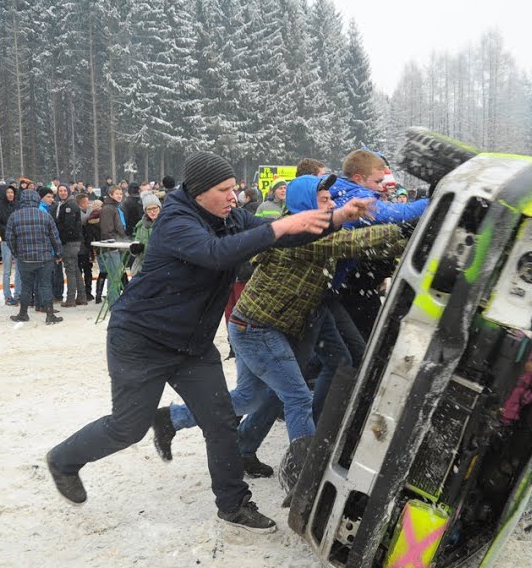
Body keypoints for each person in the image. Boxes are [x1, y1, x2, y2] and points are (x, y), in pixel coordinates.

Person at [45, 152, 374, 534]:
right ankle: (63, 460)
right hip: (141, 340)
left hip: (193, 346)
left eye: (234, 188)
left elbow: (285, 237)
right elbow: (216, 254)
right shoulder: (175, 221)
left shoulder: (229, 216)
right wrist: (282, 227)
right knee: (128, 428)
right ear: (200, 192)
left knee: (220, 421)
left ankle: (233, 505)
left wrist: (336, 218)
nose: (234, 197)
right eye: (225, 190)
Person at [153, 174, 405, 486]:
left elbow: (365, 247)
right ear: (305, 203)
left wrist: (404, 240)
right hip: (256, 329)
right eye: (324, 200)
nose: (331, 205)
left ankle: (172, 418)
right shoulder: (300, 235)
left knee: (249, 398)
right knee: (297, 397)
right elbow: (350, 243)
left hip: (265, 325)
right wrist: (402, 226)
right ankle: (302, 473)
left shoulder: (310, 229)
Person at [5, 188, 64, 325]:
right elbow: (55, 237)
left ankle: (23, 314)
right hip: (44, 258)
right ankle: (50, 315)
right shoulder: (45, 215)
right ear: (37, 199)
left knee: (26, 286)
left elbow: (9, 238)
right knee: (45, 285)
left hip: (24, 259)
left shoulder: (14, 216)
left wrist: (16, 253)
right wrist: (59, 253)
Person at [56, 186, 87, 306]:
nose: (62, 193)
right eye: (60, 191)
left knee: (70, 269)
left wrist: (61, 239)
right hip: (73, 241)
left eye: (64, 190)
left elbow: (68, 226)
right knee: (75, 269)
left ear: (68, 192)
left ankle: (70, 299)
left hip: (70, 241)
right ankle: (81, 296)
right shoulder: (65, 204)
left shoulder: (69, 205)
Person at [0, 184, 22, 306]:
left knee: (19, 269)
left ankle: (18, 294)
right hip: (6, 240)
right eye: (8, 193)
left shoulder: (18, 204)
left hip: (18, 239)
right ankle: (7, 295)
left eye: (12, 192)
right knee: (7, 270)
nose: (10, 195)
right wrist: (8, 230)